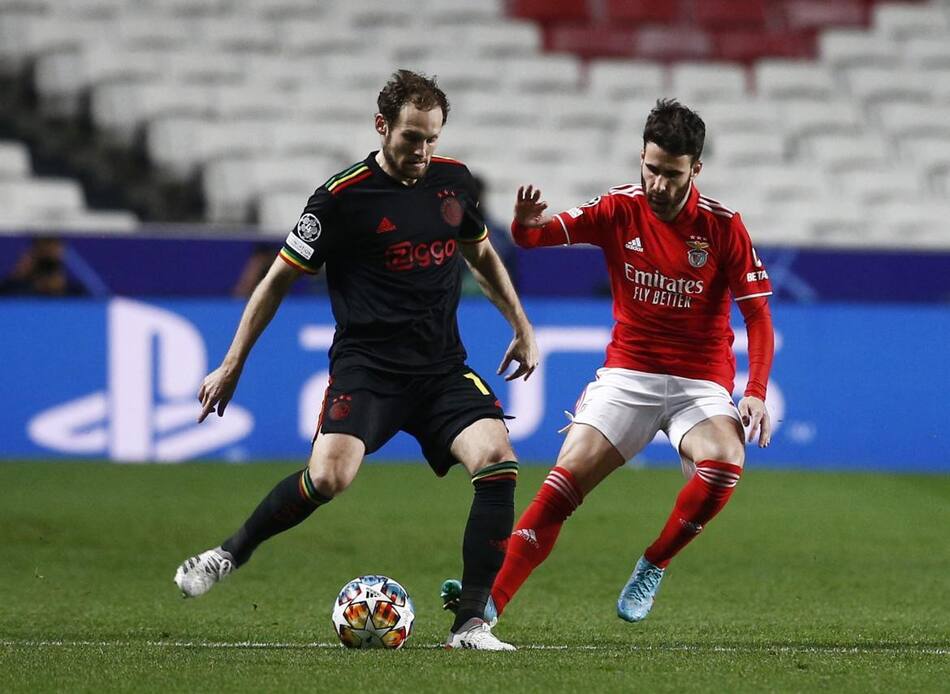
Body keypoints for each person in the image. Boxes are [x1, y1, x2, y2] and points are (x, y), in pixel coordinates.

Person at [174, 70, 539, 651]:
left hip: (441, 367)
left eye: (431, 139)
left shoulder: (454, 184)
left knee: (498, 461)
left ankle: (472, 623)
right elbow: (274, 283)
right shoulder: (339, 200)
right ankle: (228, 553)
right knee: (329, 477)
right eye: (410, 138)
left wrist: (521, 325)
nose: (421, 151)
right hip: (368, 370)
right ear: (382, 127)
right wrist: (232, 364)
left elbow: (483, 255)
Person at [442, 98, 774, 627]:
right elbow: (536, 238)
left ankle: (654, 563)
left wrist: (754, 388)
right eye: (651, 169)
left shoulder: (723, 226)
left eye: (672, 173)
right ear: (640, 159)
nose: (659, 185)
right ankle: (486, 606)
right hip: (629, 375)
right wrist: (525, 225)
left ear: (696, 170)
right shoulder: (619, 208)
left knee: (724, 466)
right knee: (561, 485)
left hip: (701, 382)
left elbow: (758, 317)